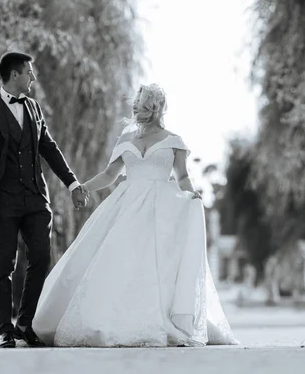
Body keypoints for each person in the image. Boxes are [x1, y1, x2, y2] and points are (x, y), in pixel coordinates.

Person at [31, 84, 239, 347]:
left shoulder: (174, 141)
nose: (138, 113)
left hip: (160, 208)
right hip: (126, 205)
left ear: (156, 110)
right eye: (136, 107)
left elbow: (183, 176)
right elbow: (110, 175)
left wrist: (192, 194)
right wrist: (83, 187)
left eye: (144, 108)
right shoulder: (126, 138)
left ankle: (157, 318)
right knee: (116, 258)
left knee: (154, 263)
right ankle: (108, 318)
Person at [0, 52, 88, 348]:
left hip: (34, 198)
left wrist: (72, 183)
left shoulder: (33, 107)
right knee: (3, 267)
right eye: (29, 73)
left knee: (42, 257)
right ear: (15, 75)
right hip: (1, 201)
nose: (33, 78)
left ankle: (25, 322)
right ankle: (6, 329)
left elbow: (49, 148)